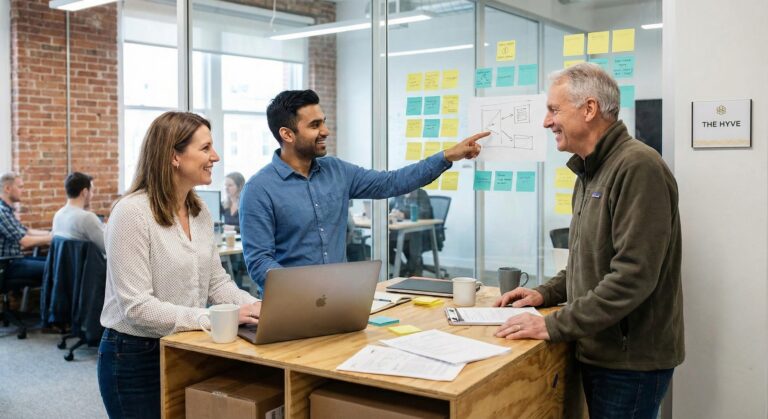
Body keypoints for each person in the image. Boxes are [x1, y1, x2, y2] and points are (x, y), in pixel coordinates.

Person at [493, 63, 684, 419]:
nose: (546, 122)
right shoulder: (589, 170)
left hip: (630, 362)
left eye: (554, 110)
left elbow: (633, 277)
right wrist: (546, 293)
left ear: (590, 109)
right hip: (599, 349)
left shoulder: (637, 167)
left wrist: (552, 324)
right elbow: (586, 261)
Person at [97, 112, 261, 419]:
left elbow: (216, 282)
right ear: (174, 155)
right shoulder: (131, 213)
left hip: (187, 347)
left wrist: (256, 306)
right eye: (205, 148)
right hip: (134, 356)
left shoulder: (199, 211)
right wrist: (214, 318)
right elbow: (137, 308)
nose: (216, 156)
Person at [240, 89, 488, 291]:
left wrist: (447, 156)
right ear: (287, 134)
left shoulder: (336, 170)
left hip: (339, 299)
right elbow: (260, 262)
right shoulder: (259, 189)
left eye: (323, 122)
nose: (325, 130)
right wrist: (305, 292)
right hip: (290, 306)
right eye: (315, 125)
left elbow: (391, 182)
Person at [0, 172, 52, 280]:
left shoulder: (7, 210)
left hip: (14, 261)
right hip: (6, 266)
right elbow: (25, 241)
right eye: (20, 187)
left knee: (54, 263)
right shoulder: (2, 212)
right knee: (57, 267)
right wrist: (53, 237)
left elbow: (25, 231)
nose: (23, 191)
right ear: (7, 189)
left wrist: (51, 232)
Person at [51, 172, 106, 253]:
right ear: (85, 192)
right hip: (96, 265)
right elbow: (107, 247)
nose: (92, 195)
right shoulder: (87, 218)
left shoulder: (58, 215)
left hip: (67, 266)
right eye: (92, 191)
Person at [388, 189, 437, 276]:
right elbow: (389, 208)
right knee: (383, 243)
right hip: (399, 231)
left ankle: (413, 270)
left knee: (412, 245)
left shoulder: (420, 193)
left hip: (417, 232)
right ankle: (402, 268)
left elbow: (425, 213)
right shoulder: (398, 193)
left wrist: (404, 214)